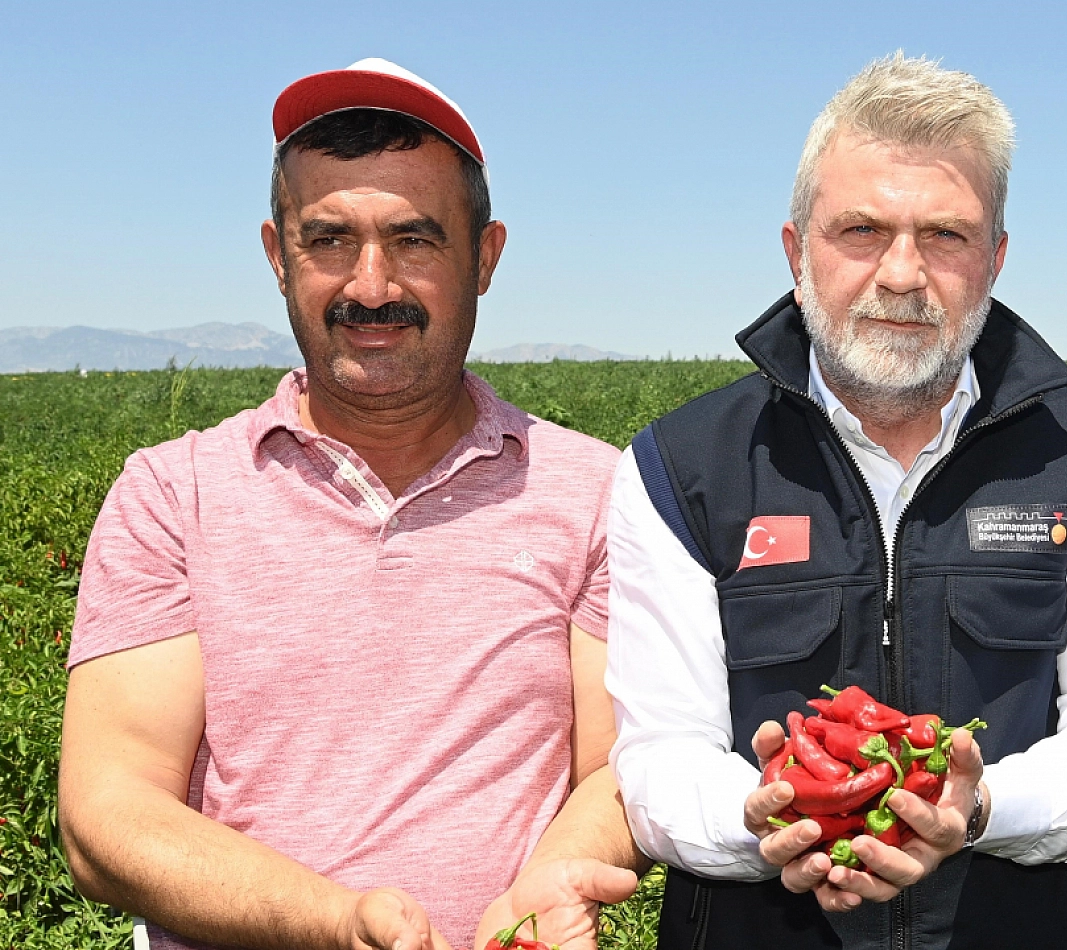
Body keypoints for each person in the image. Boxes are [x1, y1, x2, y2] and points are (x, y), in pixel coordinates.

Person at [58, 58, 642, 950]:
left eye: (415, 240)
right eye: (328, 240)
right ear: (275, 254)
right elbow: (108, 811)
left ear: (484, 257)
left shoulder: (595, 491)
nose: (371, 287)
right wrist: (334, 923)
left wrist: (551, 883)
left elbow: (614, 766)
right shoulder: (173, 496)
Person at [606, 53, 1067, 950]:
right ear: (797, 252)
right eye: (861, 231)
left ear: (995, 259)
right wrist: (769, 820)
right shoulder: (683, 467)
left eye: (945, 236)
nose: (903, 274)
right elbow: (657, 757)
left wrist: (977, 807)